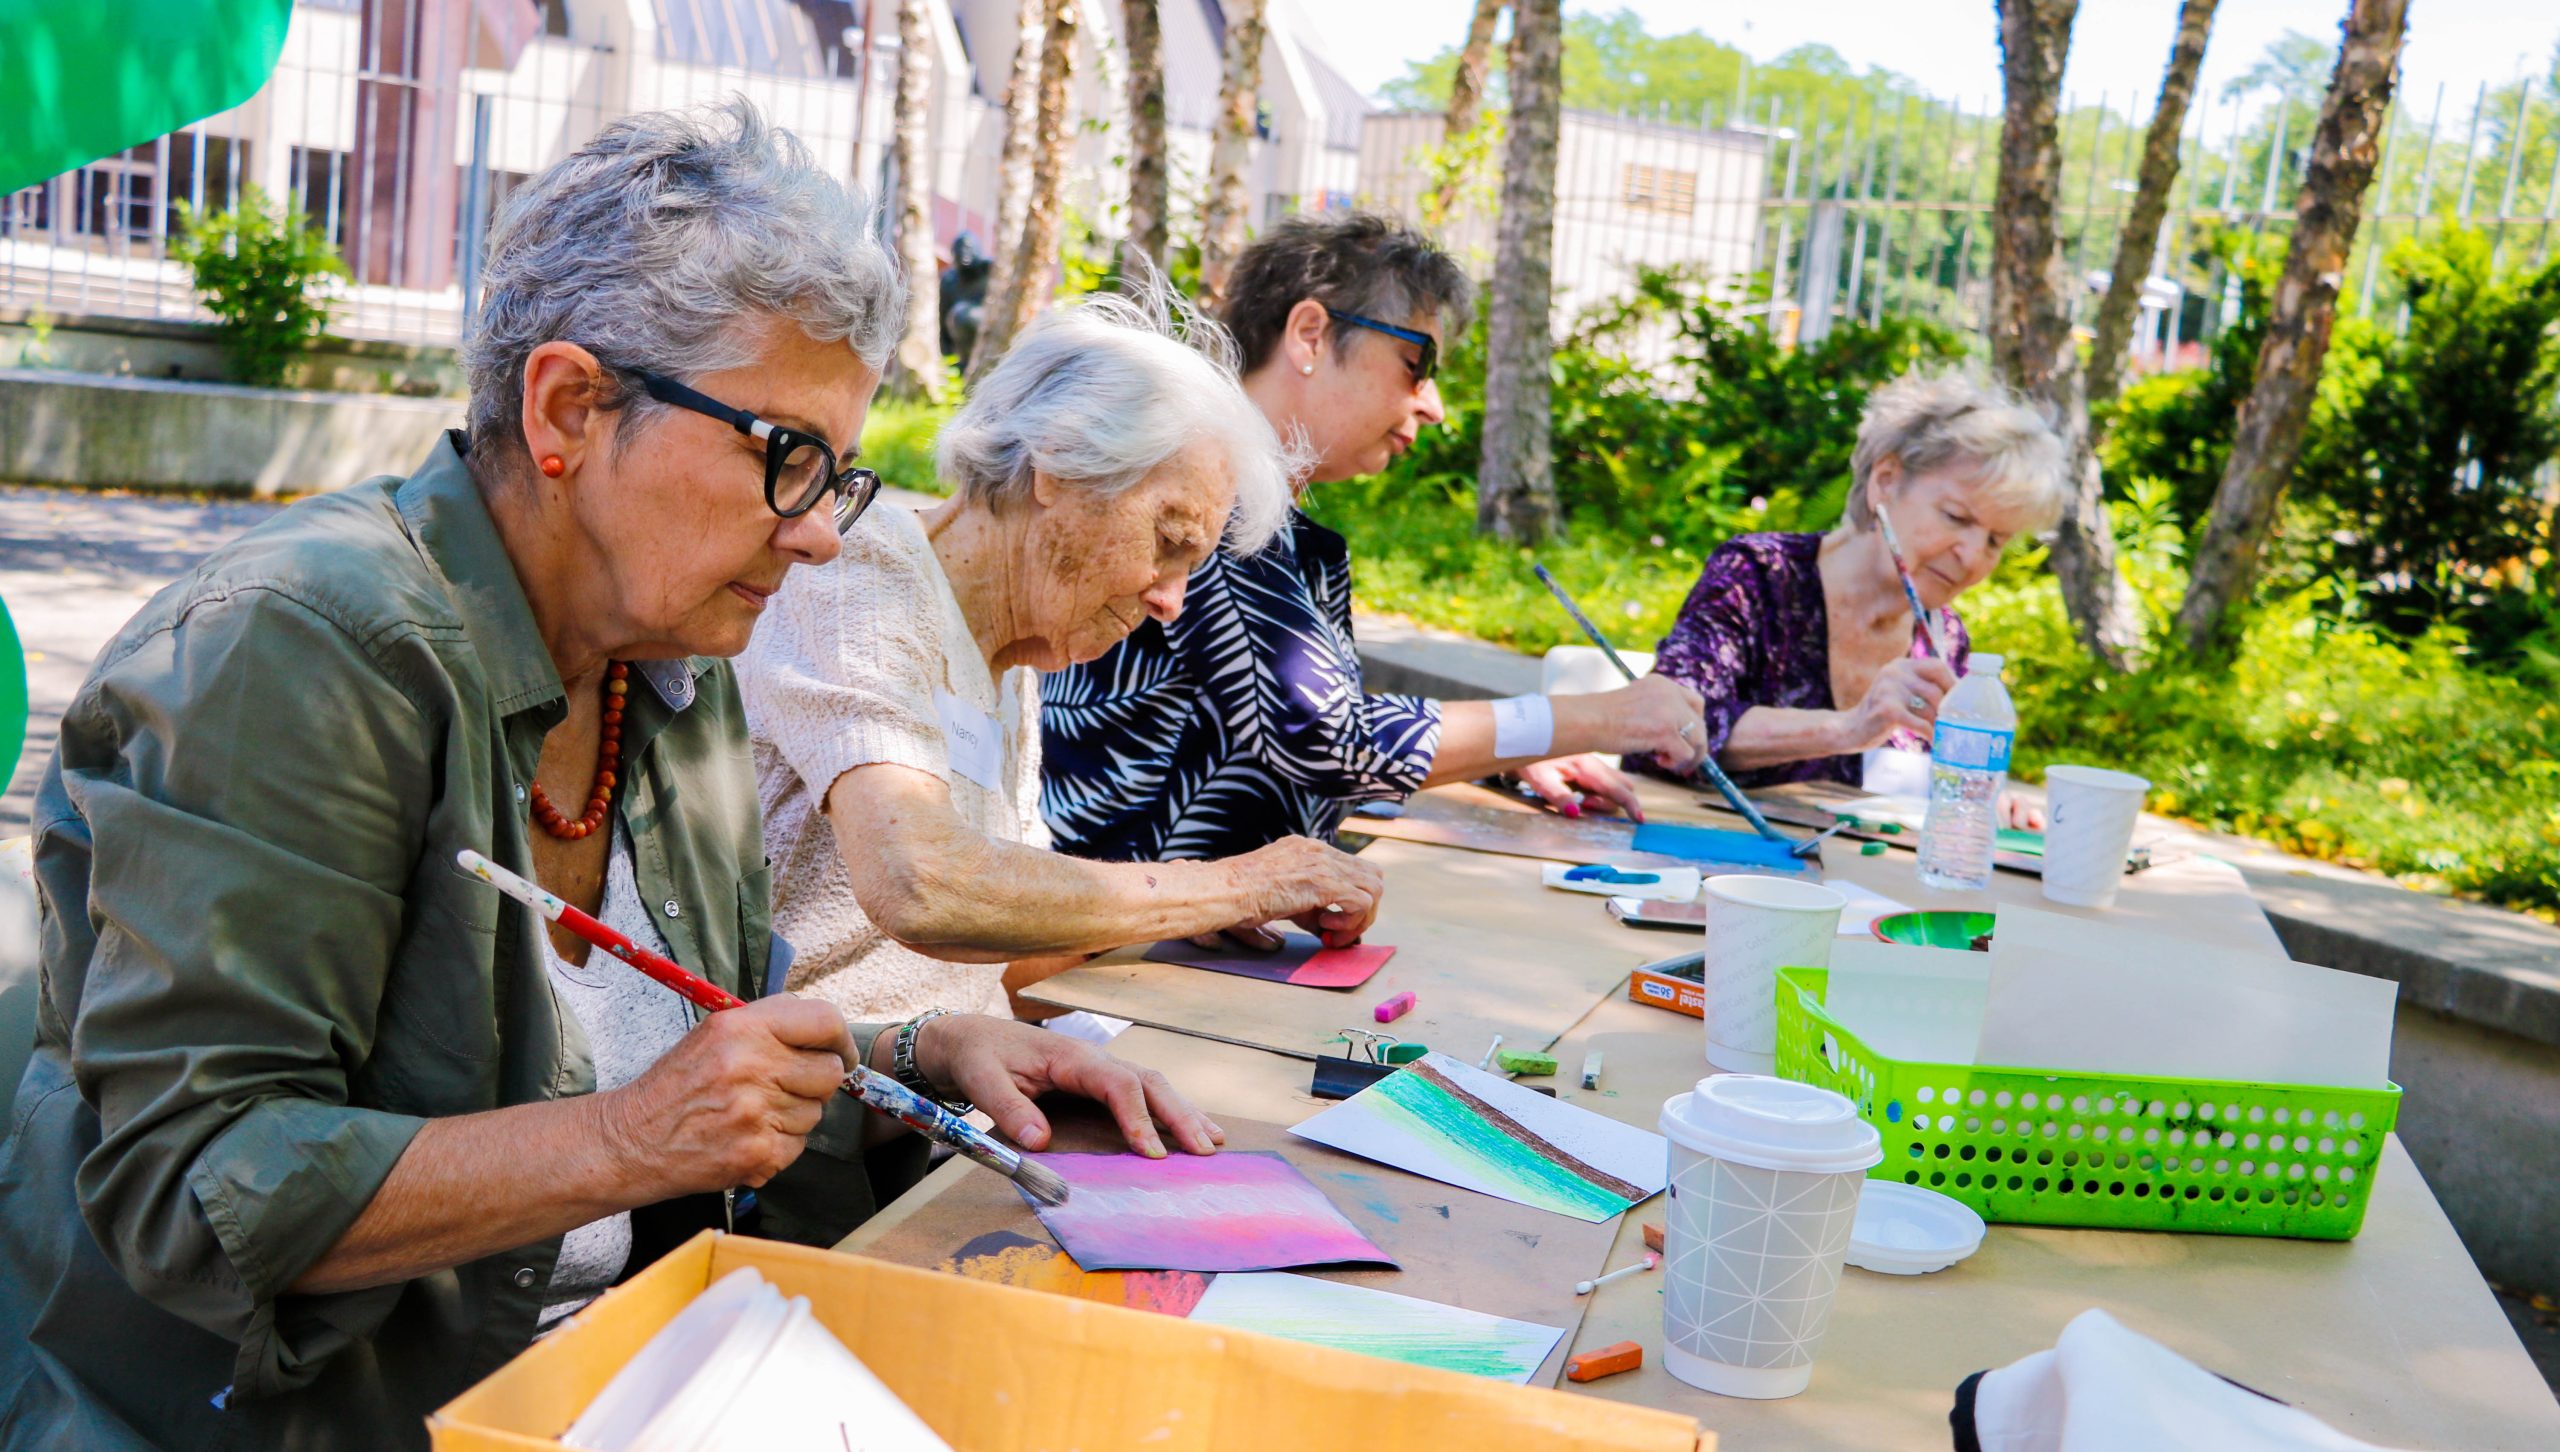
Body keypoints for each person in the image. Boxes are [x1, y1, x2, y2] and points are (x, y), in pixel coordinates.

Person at [0, 102, 1218, 1452]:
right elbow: (195, 1188)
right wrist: (627, 1142)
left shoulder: (669, 664)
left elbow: (698, 1043)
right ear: (570, 407)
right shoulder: (300, 653)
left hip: (618, 1385)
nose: (818, 537)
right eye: (785, 459)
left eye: (840, 475)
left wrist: (911, 1055)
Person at [1039, 214, 1707, 946]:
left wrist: (1511, 754)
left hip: (1154, 942)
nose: (1432, 403)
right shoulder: (1210, 503)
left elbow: (1305, 713)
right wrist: (1598, 717)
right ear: (1311, 335)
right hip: (1090, 964)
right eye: (1417, 363)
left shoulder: (1267, 511)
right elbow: (1329, 736)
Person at [737, 284, 1381, 1021]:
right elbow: (921, 885)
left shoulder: (1011, 653)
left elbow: (1000, 958)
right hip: (816, 1102)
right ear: (1059, 465)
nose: (1172, 600)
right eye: (1168, 542)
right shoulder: (860, 573)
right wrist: (1235, 884)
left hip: (934, 1093)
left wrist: (1185, 910)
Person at [1644, 371, 2066, 806]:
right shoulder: (1758, 578)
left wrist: (1975, 797)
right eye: (1957, 517)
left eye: (1997, 540)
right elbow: (1662, 729)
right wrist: (1848, 728)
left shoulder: (1944, 640)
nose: (1973, 555)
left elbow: (1918, 796)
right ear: (1884, 481)